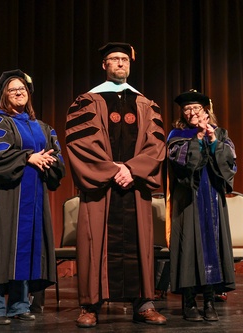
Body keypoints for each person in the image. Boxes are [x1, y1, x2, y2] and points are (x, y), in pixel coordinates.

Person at [65, 42, 166, 328]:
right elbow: (81, 142)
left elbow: (156, 144)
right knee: (94, 241)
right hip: (103, 189)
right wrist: (113, 170)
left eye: (124, 59)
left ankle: (144, 303)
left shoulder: (147, 104)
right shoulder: (87, 101)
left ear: (130, 65)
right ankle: (90, 305)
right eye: (114, 59)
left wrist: (132, 169)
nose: (120, 63)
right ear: (104, 65)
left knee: (141, 243)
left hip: (135, 187)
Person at [0, 69, 65, 325]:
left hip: (33, 199)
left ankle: (19, 305)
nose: (18, 92)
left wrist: (48, 160)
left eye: (22, 89)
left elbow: (58, 161)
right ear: (4, 95)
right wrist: (27, 157)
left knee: (27, 249)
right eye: (13, 89)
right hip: (3, 198)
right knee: (1, 249)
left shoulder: (42, 127)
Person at [166, 89, 236, 322]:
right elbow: (181, 164)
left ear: (207, 111)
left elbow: (229, 164)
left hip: (213, 199)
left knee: (213, 249)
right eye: (187, 109)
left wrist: (213, 140)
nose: (191, 112)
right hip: (188, 199)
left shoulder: (220, 133)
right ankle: (189, 303)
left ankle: (209, 301)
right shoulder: (177, 135)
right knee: (188, 249)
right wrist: (196, 138)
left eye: (196, 108)